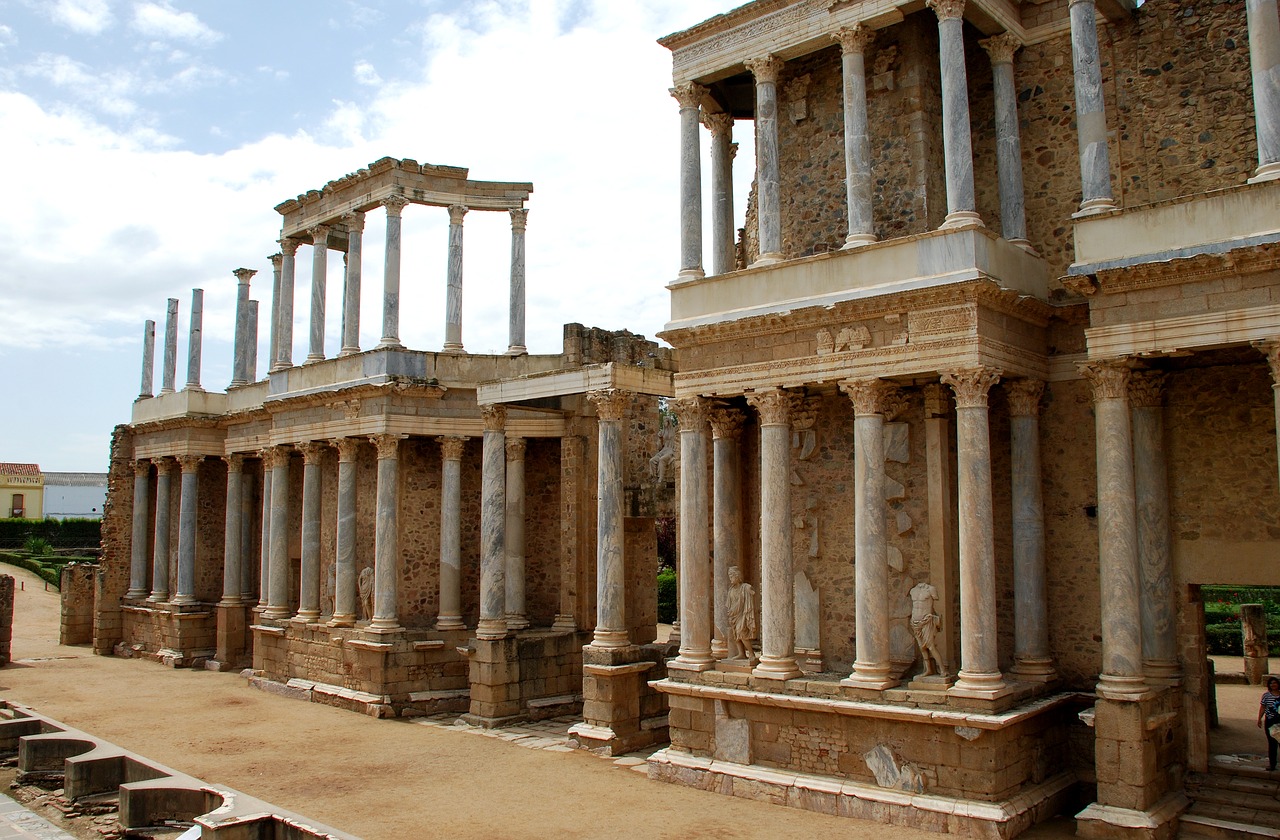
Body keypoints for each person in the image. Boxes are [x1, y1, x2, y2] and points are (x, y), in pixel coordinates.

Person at [1257, 676, 1280, 771]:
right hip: (1270, 721)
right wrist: (1259, 719)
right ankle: (1272, 764)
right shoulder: (1266, 695)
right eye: (1271, 683)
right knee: (1272, 743)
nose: (1273, 685)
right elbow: (1262, 707)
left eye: (1275, 683)